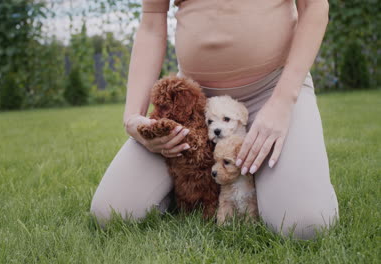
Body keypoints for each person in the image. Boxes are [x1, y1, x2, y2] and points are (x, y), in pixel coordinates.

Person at [90, 0, 339, 240]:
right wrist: (133, 118)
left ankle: (277, 185)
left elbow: (315, 5)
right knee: (110, 213)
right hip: (194, 105)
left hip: (275, 92)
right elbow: (152, 24)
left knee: (306, 225)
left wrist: (282, 102)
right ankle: (188, 191)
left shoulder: (279, 98)